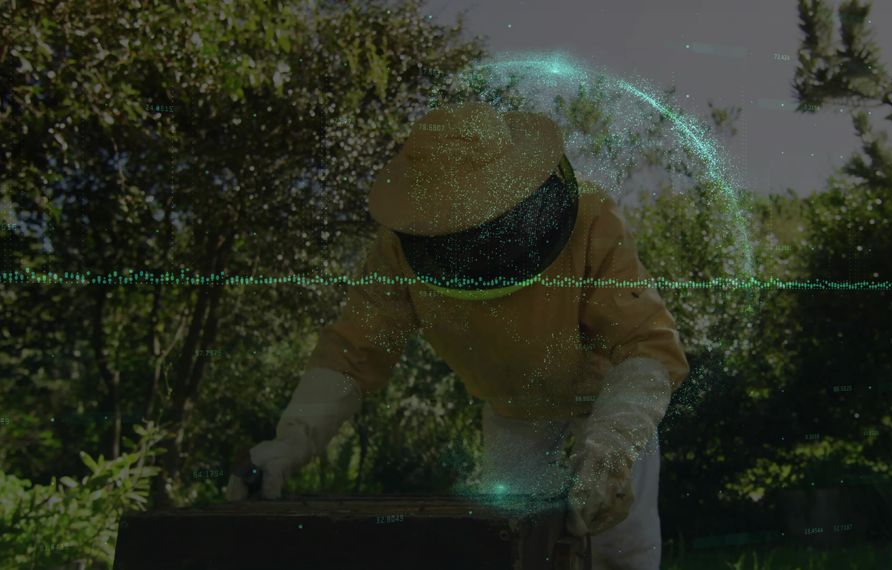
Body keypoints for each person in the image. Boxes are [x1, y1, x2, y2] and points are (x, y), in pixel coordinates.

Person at [226, 101, 689, 569]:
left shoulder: (591, 219)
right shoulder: (397, 252)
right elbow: (350, 354)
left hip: (606, 400)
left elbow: (646, 345)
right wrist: (290, 443)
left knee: (622, 547)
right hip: (513, 413)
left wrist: (612, 446)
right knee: (511, 546)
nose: (478, 244)